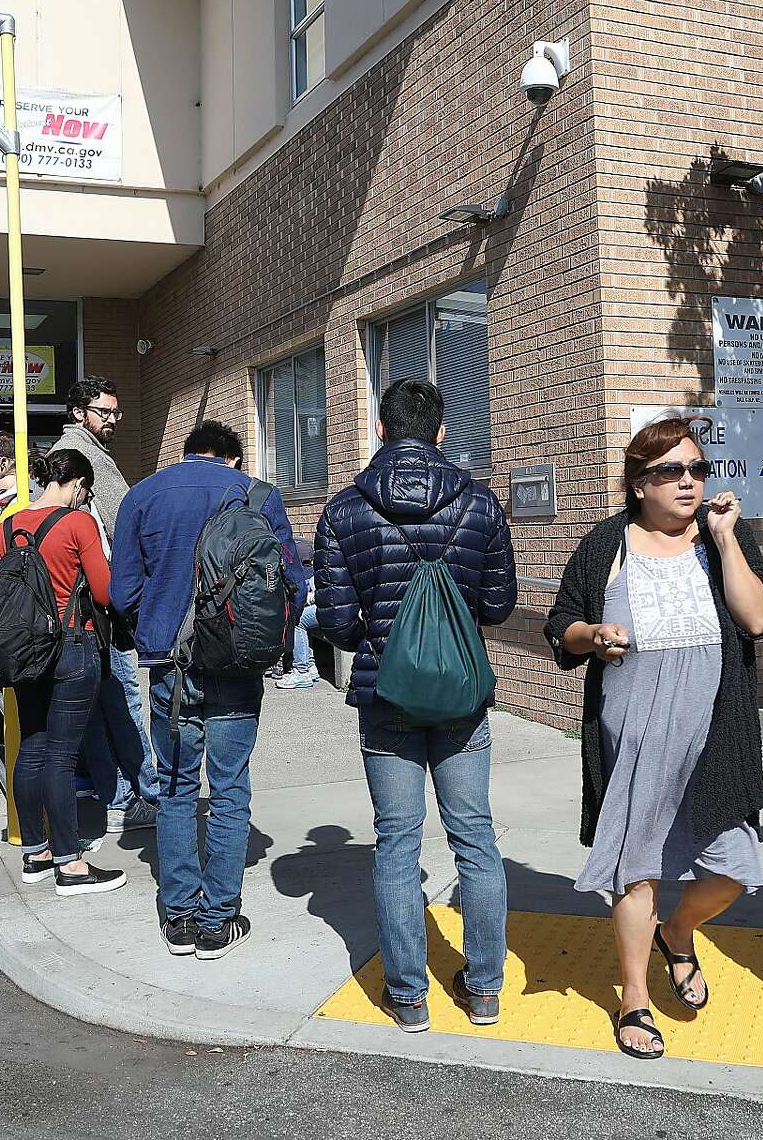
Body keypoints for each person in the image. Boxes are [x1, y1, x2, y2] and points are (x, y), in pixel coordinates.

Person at [547, 416, 763, 1060]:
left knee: (732, 869)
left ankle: (677, 931)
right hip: (635, 730)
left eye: (697, 469)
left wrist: (726, 540)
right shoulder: (606, 543)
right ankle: (634, 999)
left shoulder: (726, 537)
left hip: (715, 731)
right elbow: (562, 623)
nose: (688, 481)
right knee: (636, 864)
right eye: (671, 470)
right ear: (638, 483)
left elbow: (757, 620)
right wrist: (592, 636)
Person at [318, 380, 518, 1032]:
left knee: (397, 844)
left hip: (385, 697)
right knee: (476, 840)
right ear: (441, 432)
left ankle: (408, 997)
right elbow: (498, 606)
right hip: (461, 698)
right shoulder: (480, 503)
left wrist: (385, 632)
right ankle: (484, 989)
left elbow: (338, 625)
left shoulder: (344, 511)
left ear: (380, 429)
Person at [113, 420, 303, 960]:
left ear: (187, 453)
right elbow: (291, 583)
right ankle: (218, 921)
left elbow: (123, 592)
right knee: (230, 789)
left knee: (175, 787)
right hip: (237, 666)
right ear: (232, 458)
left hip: (170, 665)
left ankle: (178, 917)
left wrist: (156, 624)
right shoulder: (257, 495)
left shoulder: (142, 496)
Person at [0, 448, 125, 897]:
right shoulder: (78, 523)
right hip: (71, 645)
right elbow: (104, 593)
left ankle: (36, 853)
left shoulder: (10, 525)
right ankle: (71, 865)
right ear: (79, 484)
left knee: (31, 748)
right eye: (87, 491)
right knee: (62, 757)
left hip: (24, 651)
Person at [53, 377, 159, 835]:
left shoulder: (67, 452)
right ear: (80, 413)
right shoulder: (88, 456)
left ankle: (115, 799)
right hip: (100, 600)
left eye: (116, 412)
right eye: (104, 412)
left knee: (96, 704)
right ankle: (148, 793)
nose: (113, 419)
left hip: (73, 607)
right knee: (123, 697)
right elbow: (126, 520)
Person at [278, 537, 319, 689]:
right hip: (332, 607)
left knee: (298, 620)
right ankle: (310, 666)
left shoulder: (301, 574)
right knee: (303, 618)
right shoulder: (316, 569)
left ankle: (301, 670)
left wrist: (310, 598)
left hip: (333, 609)